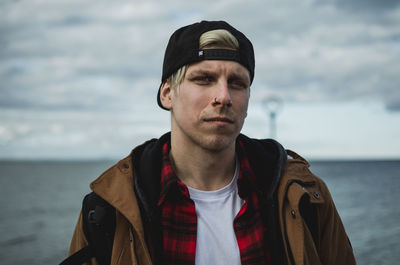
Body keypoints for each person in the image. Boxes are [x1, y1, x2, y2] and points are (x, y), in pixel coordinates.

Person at [64, 20, 356, 265]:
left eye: (237, 83)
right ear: (167, 94)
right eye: (203, 79)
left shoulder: (305, 197)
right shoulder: (107, 208)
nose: (224, 96)